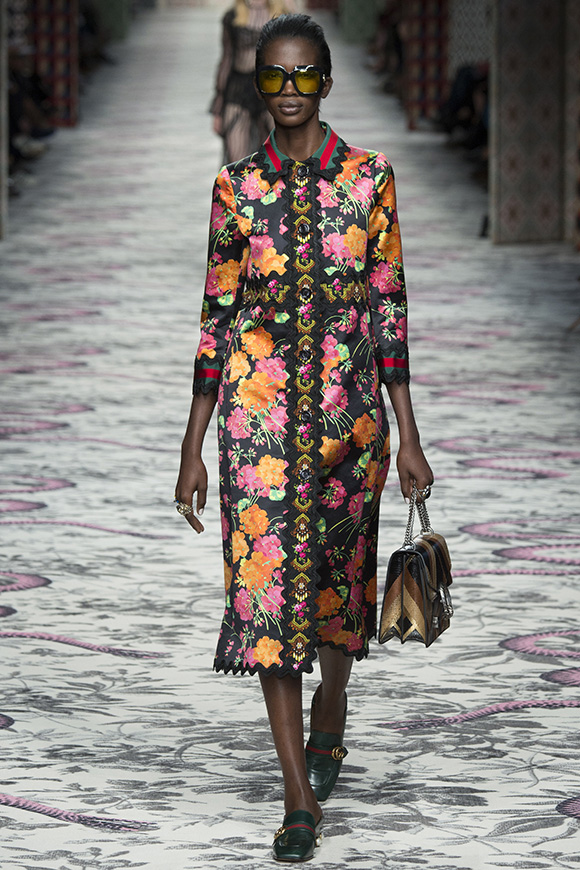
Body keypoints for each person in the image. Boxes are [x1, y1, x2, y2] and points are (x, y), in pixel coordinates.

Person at [175, 13, 433, 862]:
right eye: (273, 77)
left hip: (350, 428)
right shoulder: (236, 188)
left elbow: (389, 309)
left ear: (326, 80)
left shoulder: (370, 179)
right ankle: (298, 800)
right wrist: (192, 445)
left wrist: (408, 436)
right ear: (258, 83)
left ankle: (334, 707)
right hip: (258, 429)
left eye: (304, 76)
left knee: (337, 598)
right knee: (269, 606)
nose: (289, 92)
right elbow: (217, 317)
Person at [211, 0, 291, 163]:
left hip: (273, 89)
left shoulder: (284, 17)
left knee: (277, 159)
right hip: (239, 90)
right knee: (237, 160)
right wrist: (218, 109)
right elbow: (227, 58)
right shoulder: (233, 17)